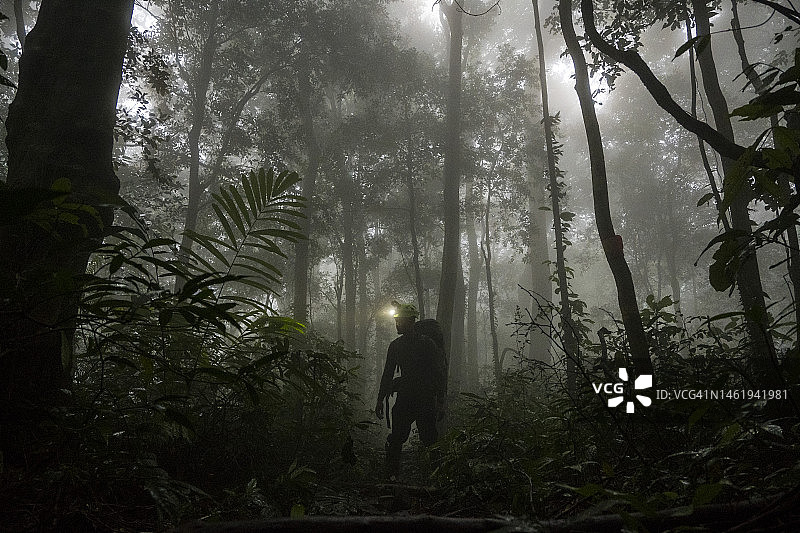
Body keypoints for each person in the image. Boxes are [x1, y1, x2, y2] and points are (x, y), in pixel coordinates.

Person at [375, 301, 443, 479]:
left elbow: (438, 373)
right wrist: (380, 400)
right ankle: (392, 476)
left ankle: (437, 478)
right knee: (397, 438)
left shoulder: (427, 344)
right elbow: (387, 374)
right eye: (396, 320)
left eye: (401, 320)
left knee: (429, 439)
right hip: (406, 397)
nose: (397, 324)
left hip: (424, 397)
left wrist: (441, 401)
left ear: (412, 322)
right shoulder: (396, 346)